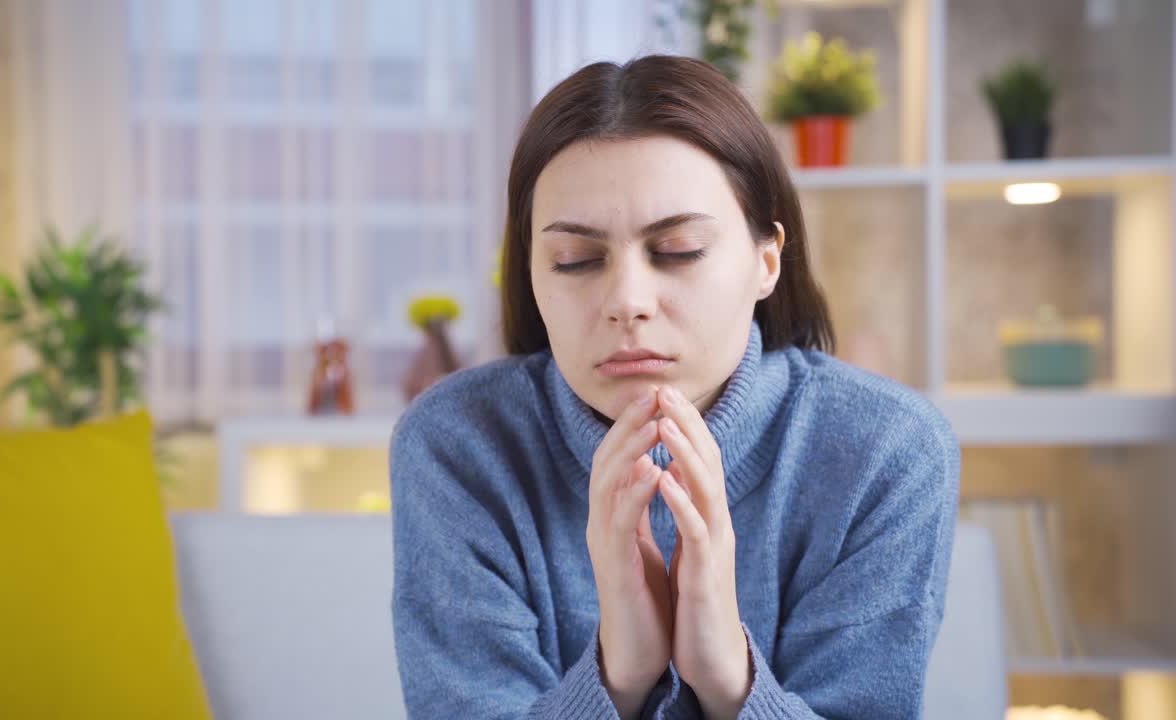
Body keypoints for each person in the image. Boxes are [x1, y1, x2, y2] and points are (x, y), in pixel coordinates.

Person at [389, 54, 959, 719]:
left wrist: (728, 677)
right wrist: (619, 672)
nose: (627, 301)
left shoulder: (885, 452)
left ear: (766, 261)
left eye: (679, 249)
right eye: (575, 260)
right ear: (530, 274)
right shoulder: (459, 446)